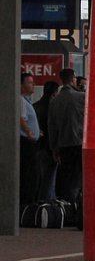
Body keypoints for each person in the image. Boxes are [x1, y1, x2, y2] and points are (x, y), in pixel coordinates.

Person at [48, 68, 85, 202]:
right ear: (73, 79)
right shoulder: (81, 97)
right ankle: (77, 203)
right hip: (79, 143)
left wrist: (54, 148)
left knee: (66, 176)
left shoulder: (55, 101)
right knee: (79, 177)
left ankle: (66, 203)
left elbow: (51, 126)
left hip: (63, 144)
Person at [33, 80, 59, 200]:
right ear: (54, 93)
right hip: (49, 147)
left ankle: (39, 201)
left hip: (37, 146)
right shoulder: (53, 108)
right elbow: (53, 128)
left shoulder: (35, 106)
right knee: (49, 178)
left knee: (40, 178)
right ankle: (48, 203)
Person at [18, 72, 40, 207]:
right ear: (21, 85)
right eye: (30, 83)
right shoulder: (20, 100)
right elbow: (21, 118)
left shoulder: (27, 101)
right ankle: (26, 205)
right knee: (29, 174)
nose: (33, 85)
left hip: (30, 142)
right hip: (26, 142)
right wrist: (29, 132)